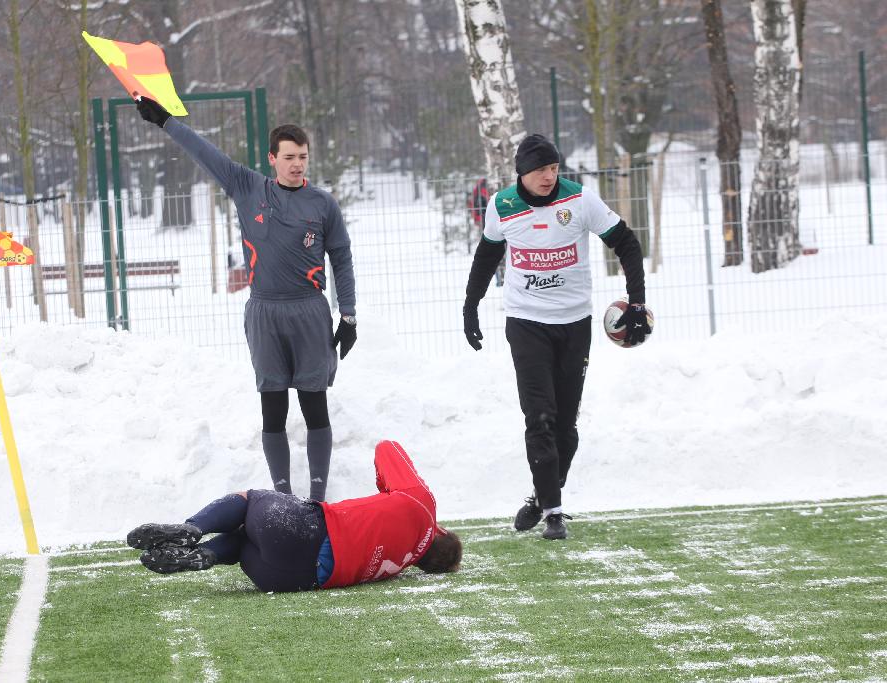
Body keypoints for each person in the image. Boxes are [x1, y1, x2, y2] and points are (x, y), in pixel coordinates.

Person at [136, 96, 357, 502]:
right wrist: (165, 121)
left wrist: (349, 315)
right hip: (264, 312)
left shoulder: (322, 204)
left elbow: (341, 258)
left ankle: (319, 498)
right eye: (289, 157)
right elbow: (205, 153)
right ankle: (284, 496)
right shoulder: (247, 186)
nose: (297, 164)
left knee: (314, 406)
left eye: (303, 157)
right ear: (272, 158)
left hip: (309, 310)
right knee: (272, 408)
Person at [462, 134, 650, 540]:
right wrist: (470, 305)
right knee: (539, 417)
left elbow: (627, 243)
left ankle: (540, 495)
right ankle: (554, 513)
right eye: (539, 170)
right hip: (526, 323)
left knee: (566, 427)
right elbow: (487, 256)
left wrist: (637, 302)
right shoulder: (503, 206)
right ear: (522, 174)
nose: (548, 176)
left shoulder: (580, 200)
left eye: (553, 168)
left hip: (574, 324)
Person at [127, 440, 462, 592]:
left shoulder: (422, 506)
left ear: (441, 531)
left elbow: (387, 447)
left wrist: (387, 491)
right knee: (245, 542)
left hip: (302, 530)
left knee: (249, 500)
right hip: (284, 579)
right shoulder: (399, 567)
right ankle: (207, 555)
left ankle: (192, 528)